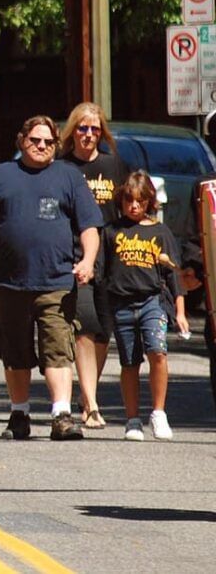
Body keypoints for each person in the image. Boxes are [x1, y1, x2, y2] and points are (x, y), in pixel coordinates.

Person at [0, 114, 101, 442]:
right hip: (9, 283)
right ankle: (19, 413)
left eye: (49, 142)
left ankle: (61, 415)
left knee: (58, 349)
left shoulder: (69, 177)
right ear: (22, 141)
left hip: (56, 282)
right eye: (35, 140)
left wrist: (88, 260)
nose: (41, 146)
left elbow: (89, 227)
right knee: (14, 351)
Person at [97, 172, 187, 441]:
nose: (134, 207)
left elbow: (174, 274)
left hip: (152, 302)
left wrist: (180, 311)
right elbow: (101, 272)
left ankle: (158, 412)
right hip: (122, 304)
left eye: (139, 201)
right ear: (121, 201)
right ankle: (132, 419)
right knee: (129, 362)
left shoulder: (161, 232)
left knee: (157, 352)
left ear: (149, 202)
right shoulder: (112, 231)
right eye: (128, 202)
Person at [56, 102, 127, 430]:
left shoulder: (113, 165)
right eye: (82, 128)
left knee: (102, 332)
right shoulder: (61, 166)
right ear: (72, 132)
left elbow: (129, 206)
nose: (88, 134)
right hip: (73, 254)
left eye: (95, 129)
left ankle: (87, 398)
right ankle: (92, 403)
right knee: (84, 328)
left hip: (110, 256)